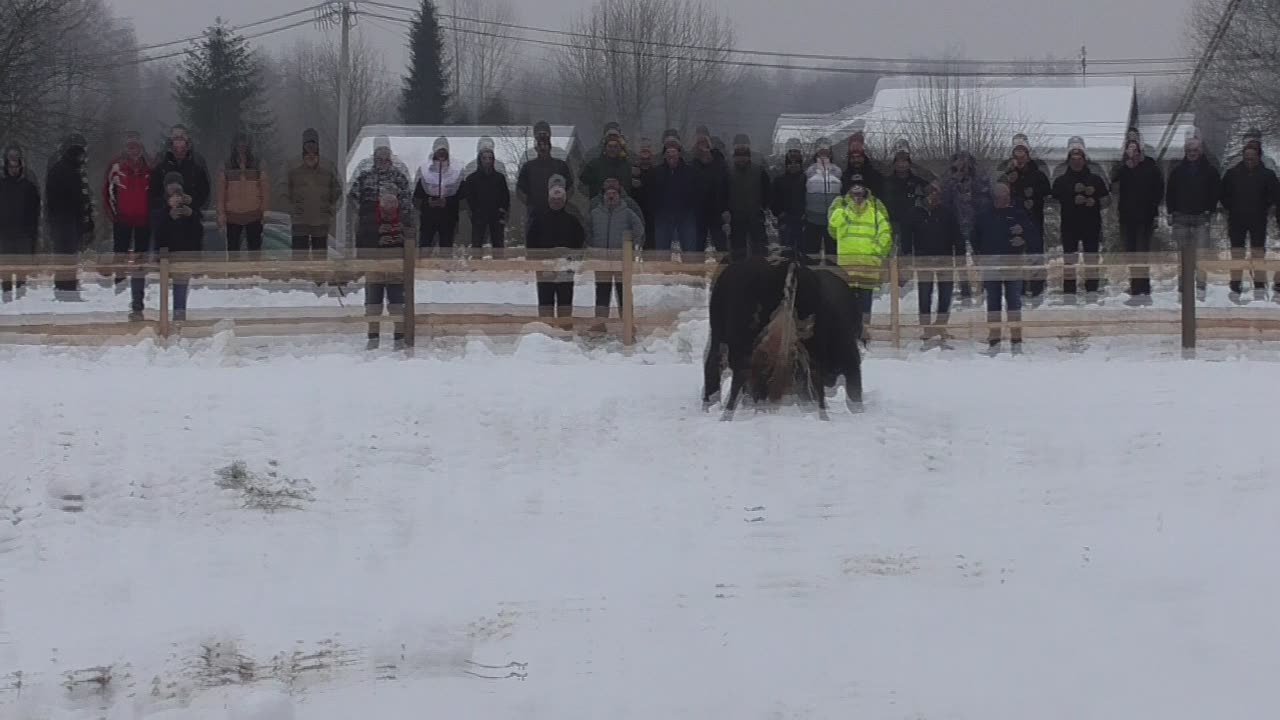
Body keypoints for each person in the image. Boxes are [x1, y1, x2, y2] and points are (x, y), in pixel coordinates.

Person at [350, 138, 414, 350]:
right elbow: (352, 200)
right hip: (373, 251)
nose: (383, 158)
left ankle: (399, 334)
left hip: (395, 255)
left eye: (386, 153)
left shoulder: (399, 177)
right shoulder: (364, 176)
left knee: (397, 296)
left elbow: (410, 214)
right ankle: (373, 334)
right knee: (373, 295)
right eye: (379, 154)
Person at [973, 183, 1040, 352]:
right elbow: (974, 237)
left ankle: (1016, 340)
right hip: (991, 264)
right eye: (1003, 197)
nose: (1007, 199)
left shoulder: (1018, 213)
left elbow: (1034, 234)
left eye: (1008, 196)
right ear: (996, 198)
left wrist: (1023, 236)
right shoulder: (983, 215)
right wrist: (979, 255)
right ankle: (994, 340)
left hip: (1013, 262)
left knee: (1014, 302)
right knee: (993, 303)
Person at [829, 173, 892, 344]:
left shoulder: (876, 208)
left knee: (865, 305)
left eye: (860, 188)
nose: (857, 193)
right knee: (846, 302)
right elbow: (832, 229)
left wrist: (876, 252)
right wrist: (845, 208)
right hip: (847, 267)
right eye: (853, 188)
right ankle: (847, 336)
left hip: (868, 266)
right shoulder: (840, 207)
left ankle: (864, 336)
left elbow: (886, 233)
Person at [902, 180, 964, 343]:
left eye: (937, 194)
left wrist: (960, 255)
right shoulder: (914, 213)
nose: (934, 197)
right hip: (924, 259)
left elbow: (957, 234)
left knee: (946, 294)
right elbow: (907, 235)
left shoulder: (947, 212)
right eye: (931, 193)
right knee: (924, 294)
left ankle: (941, 325)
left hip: (945, 258)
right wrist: (907, 254)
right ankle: (926, 327)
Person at [1051, 137, 1110, 301]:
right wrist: (1070, 198)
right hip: (1069, 225)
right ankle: (1069, 290)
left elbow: (1107, 199)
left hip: (1091, 225)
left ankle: (1092, 289)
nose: (1077, 162)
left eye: (1080, 158)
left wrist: (1095, 201)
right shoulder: (1061, 180)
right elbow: (1052, 200)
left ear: (1085, 159)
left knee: (1091, 257)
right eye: (1073, 159)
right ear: (1069, 160)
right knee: (1069, 259)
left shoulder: (1096, 179)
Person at [1219, 138, 1278, 302]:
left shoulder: (1268, 175)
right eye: (1246, 158)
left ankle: (1259, 285)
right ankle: (1235, 284)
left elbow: (1274, 196)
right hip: (1237, 218)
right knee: (1237, 252)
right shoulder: (1232, 174)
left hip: (1258, 218)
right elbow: (1223, 194)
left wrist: (1266, 206)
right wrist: (1231, 206)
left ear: (1259, 158)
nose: (1249, 162)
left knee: (1258, 252)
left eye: (1252, 158)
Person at [1166, 134, 1221, 300]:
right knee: (1182, 256)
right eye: (1189, 150)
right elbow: (1170, 193)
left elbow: (1216, 192)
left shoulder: (1210, 170)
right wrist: (1171, 211)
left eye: (1195, 149)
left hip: (1201, 219)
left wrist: (1209, 210)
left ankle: (1201, 288)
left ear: (1201, 150)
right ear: (1185, 151)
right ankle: (1182, 289)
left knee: (1202, 255)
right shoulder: (1177, 170)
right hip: (1181, 218)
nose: (1192, 153)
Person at [1110, 138, 1165, 303]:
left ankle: (1144, 289)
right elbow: (1112, 180)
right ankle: (1135, 286)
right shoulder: (1124, 168)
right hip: (1127, 218)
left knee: (1142, 253)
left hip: (1145, 218)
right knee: (1131, 254)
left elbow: (1158, 190)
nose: (1131, 153)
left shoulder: (1150, 167)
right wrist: (1124, 166)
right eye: (1129, 149)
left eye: (1134, 149)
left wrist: (1153, 211)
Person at [998, 134, 1052, 301]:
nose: (1020, 156)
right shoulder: (1007, 171)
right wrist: (1008, 178)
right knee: (1014, 254)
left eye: (1023, 152)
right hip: (1012, 219)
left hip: (1033, 219)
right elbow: (996, 190)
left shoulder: (1038, 171)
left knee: (1035, 253)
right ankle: (1017, 288)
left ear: (1028, 154)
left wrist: (1034, 194)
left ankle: (1037, 289)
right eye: (1017, 152)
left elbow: (1048, 191)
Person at [526, 176, 585, 321]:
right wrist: (535, 261)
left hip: (566, 266)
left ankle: (565, 328)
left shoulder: (572, 220)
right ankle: (546, 330)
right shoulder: (538, 219)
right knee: (546, 299)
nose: (556, 202)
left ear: (564, 200)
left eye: (559, 199)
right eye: (554, 199)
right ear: (549, 200)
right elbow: (531, 241)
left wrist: (575, 260)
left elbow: (580, 241)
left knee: (565, 299)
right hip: (545, 265)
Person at [587, 177, 644, 324]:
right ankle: (599, 323)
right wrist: (591, 246)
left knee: (623, 291)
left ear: (619, 195)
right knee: (601, 291)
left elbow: (639, 229)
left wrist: (632, 244)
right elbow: (587, 231)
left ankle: (628, 323)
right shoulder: (595, 212)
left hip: (622, 258)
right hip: (601, 259)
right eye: (608, 194)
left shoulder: (627, 212)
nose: (611, 196)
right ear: (604, 196)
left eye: (614, 194)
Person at [44, 133, 93, 300]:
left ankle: (68, 286)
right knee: (66, 256)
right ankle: (65, 289)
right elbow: (69, 198)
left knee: (70, 256)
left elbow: (84, 197)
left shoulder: (73, 170)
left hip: (69, 220)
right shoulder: (64, 171)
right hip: (64, 220)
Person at [940, 149, 992, 305]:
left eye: (966, 163)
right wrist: (955, 180)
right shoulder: (948, 180)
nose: (963, 166)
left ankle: (983, 288)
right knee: (961, 260)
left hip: (977, 224)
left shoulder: (979, 179)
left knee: (979, 258)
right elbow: (944, 201)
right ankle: (965, 290)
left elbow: (986, 200)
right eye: (959, 163)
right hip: (956, 225)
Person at [103, 132, 152, 292]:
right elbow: (107, 191)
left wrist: (152, 214)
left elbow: (156, 192)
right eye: (130, 146)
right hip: (122, 218)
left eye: (135, 146)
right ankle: (120, 283)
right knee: (120, 252)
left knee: (141, 255)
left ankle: (139, 284)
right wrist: (112, 214)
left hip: (144, 218)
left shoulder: (149, 165)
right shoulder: (116, 165)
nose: (133, 150)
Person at [285, 128, 342, 261]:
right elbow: (282, 191)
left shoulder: (328, 166)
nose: (311, 148)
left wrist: (330, 211)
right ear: (303, 146)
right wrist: (292, 210)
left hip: (321, 223)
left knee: (320, 262)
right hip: (300, 222)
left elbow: (338, 192)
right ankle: (299, 281)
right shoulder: (292, 166)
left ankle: (319, 282)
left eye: (313, 144)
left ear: (318, 145)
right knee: (299, 261)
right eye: (308, 144)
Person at [154, 171, 204, 323]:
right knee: (163, 285)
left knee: (181, 283)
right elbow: (156, 228)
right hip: (165, 251)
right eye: (171, 186)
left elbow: (199, 230)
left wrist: (191, 215)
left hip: (185, 250)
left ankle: (179, 313)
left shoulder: (190, 203)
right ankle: (162, 316)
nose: (174, 190)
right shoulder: (159, 204)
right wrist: (168, 214)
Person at [218, 131, 270, 256]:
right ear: (234, 147)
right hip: (232, 217)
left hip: (254, 216)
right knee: (233, 254)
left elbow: (265, 189)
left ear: (249, 147)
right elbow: (220, 192)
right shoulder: (227, 164)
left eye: (244, 145)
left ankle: (256, 275)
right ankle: (233, 276)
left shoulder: (258, 164)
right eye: (239, 145)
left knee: (255, 253)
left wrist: (265, 210)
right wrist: (221, 213)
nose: (242, 148)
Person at [516, 121, 574, 232]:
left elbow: (570, 187)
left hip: (558, 212)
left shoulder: (560, 164)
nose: (543, 148)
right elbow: (519, 190)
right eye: (540, 145)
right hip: (535, 214)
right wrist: (531, 203)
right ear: (536, 147)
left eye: (545, 145)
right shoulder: (528, 165)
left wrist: (560, 201)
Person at [0, 143, 40, 301]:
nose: (13, 169)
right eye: (11, 166)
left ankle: (22, 302)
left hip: (24, 235)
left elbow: (35, 213)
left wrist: (33, 235)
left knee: (22, 273)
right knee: (6, 273)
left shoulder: (29, 187)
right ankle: (7, 300)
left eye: (16, 166)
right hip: (4, 235)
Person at [459, 139, 510, 252]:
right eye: (484, 158)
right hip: (479, 217)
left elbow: (505, 197)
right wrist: (475, 212)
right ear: (480, 160)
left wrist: (503, 211)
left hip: (496, 216)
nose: (487, 161)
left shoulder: (499, 178)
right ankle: (476, 266)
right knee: (477, 244)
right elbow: (469, 199)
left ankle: (499, 267)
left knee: (498, 245)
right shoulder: (472, 179)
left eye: (490, 158)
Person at [725, 133, 771, 258]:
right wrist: (726, 210)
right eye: (738, 156)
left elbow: (767, 189)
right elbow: (723, 192)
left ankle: (761, 271)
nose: (741, 159)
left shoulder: (758, 169)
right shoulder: (728, 171)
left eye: (744, 156)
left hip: (755, 214)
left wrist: (764, 207)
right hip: (736, 215)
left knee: (759, 248)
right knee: (738, 249)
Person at [414, 137, 463, 250]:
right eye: (439, 150)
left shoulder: (456, 170)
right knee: (425, 249)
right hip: (428, 218)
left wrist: (447, 202)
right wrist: (428, 202)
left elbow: (462, 197)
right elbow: (417, 197)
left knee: (446, 251)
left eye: (444, 150)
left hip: (448, 218)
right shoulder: (424, 169)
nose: (441, 153)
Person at [650, 141, 698, 256]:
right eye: (668, 152)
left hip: (685, 215)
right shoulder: (657, 172)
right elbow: (652, 193)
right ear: (664, 155)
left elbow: (696, 193)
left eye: (674, 152)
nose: (671, 155)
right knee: (661, 252)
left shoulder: (690, 171)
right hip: (663, 215)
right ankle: (662, 273)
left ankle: (692, 273)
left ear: (679, 154)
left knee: (689, 250)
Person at [690, 132, 729, 254]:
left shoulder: (719, 161)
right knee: (698, 243)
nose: (703, 147)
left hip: (716, 208)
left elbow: (725, 184)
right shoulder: (694, 164)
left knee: (720, 242)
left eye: (705, 143)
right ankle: (696, 269)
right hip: (699, 209)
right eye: (699, 144)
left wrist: (726, 208)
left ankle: (724, 266)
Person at [803, 137, 842, 258]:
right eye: (821, 150)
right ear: (816, 152)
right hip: (813, 218)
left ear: (830, 152)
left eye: (826, 150)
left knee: (833, 254)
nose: (823, 152)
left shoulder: (838, 171)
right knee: (811, 254)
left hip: (832, 219)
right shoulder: (809, 171)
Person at [770, 143, 807, 253]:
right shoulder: (779, 180)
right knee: (786, 248)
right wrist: (778, 213)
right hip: (785, 219)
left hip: (802, 219)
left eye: (796, 163)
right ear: (786, 165)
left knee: (802, 248)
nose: (793, 165)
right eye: (790, 163)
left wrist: (806, 213)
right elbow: (773, 198)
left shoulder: (806, 180)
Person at [581, 129, 631, 200]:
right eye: (610, 146)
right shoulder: (594, 164)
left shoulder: (627, 165)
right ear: (605, 148)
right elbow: (583, 180)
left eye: (615, 146)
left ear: (620, 148)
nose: (612, 149)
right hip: (599, 203)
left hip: (623, 203)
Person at [628, 137, 658, 250]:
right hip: (635, 211)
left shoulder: (656, 172)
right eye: (642, 158)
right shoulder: (632, 172)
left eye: (647, 158)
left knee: (651, 242)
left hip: (652, 213)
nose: (645, 161)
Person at [840, 131, 884, 199]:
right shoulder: (844, 177)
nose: (856, 160)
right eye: (853, 158)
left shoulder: (875, 176)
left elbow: (879, 199)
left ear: (864, 158)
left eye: (858, 157)